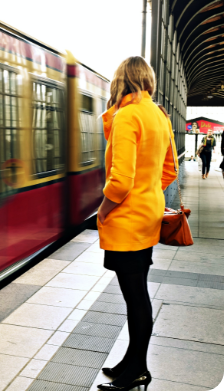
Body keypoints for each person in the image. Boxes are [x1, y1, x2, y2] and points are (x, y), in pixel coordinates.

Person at [96, 56, 177, 391]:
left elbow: (120, 182)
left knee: (136, 295)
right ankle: (131, 361)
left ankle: (138, 369)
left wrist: (103, 210)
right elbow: (169, 171)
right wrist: (147, 195)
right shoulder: (158, 115)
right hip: (147, 217)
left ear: (120, 80)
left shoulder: (128, 115)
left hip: (127, 221)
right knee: (136, 293)